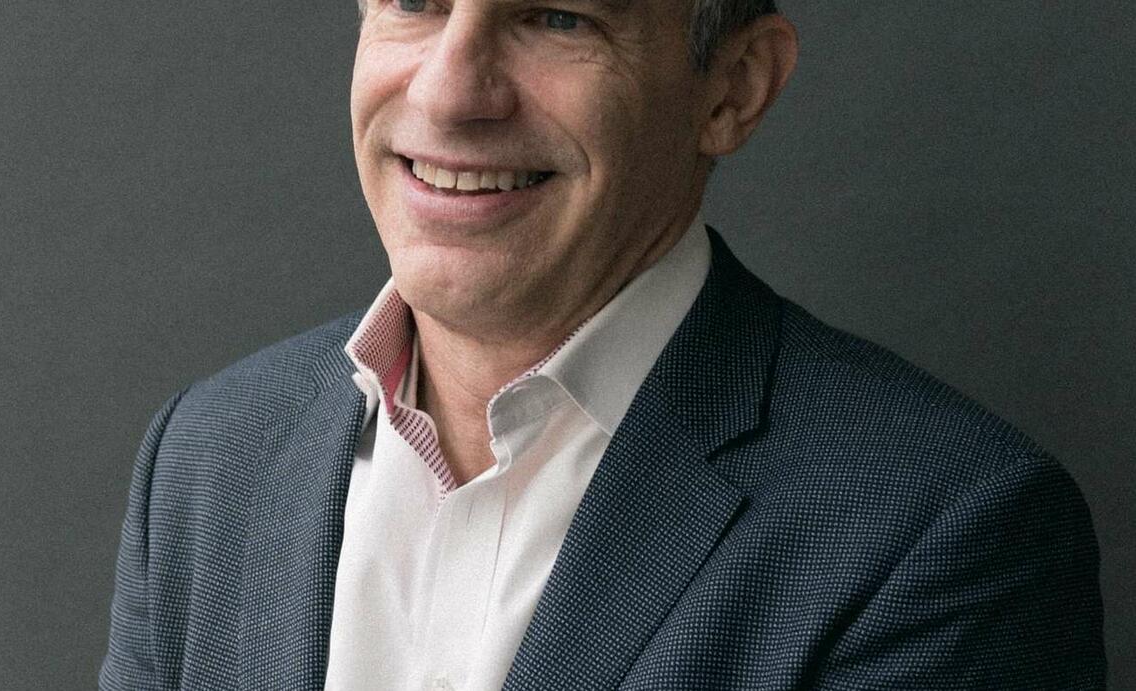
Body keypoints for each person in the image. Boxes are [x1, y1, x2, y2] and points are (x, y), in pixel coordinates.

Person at [100, 0, 1106, 688]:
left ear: (734, 88)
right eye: (413, 1)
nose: (448, 93)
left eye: (556, 17)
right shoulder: (209, 456)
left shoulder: (939, 530)